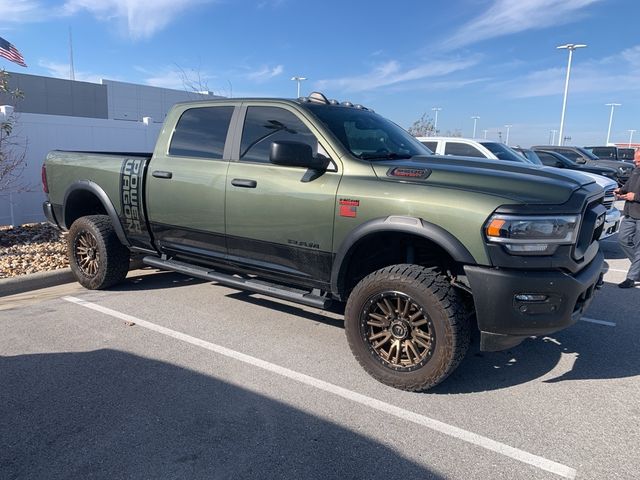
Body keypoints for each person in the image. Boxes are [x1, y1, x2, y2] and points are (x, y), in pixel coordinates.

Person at [614, 148, 640, 288]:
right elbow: (629, 185)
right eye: (636, 159)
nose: (636, 162)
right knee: (623, 239)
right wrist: (621, 190)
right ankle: (638, 270)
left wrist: (635, 197)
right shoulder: (636, 170)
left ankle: (631, 278)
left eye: (639, 160)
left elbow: (635, 193)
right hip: (630, 212)